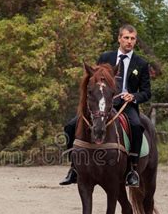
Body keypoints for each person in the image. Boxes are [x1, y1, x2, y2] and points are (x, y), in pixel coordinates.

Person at [59, 24, 151, 187]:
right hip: (102, 103)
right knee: (70, 126)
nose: (129, 42)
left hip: (125, 105)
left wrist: (133, 96)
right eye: (126, 38)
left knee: (137, 126)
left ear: (135, 41)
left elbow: (146, 92)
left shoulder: (141, 64)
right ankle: (74, 167)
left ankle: (132, 170)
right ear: (119, 39)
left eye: (132, 39)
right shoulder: (105, 57)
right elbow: (94, 79)